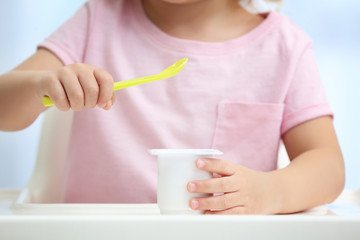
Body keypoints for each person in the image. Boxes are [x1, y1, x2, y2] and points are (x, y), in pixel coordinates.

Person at [0, 0, 345, 214]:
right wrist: (39, 85)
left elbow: (327, 165)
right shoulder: (98, 18)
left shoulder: (284, 46)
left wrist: (270, 192)